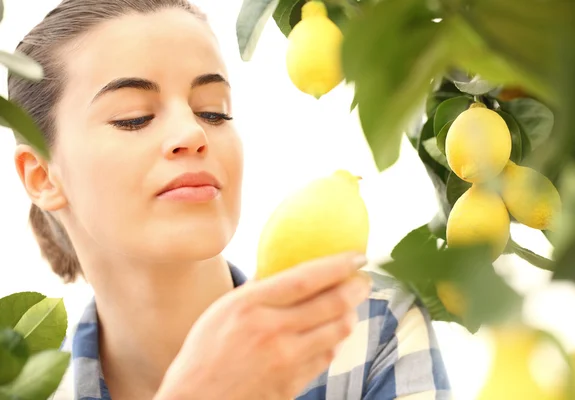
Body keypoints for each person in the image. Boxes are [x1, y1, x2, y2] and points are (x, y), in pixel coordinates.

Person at [9, 0, 451, 399]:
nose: (193, 133)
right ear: (42, 175)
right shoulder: (29, 390)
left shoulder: (368, 329)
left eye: (213, 111)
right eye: (134, 118)